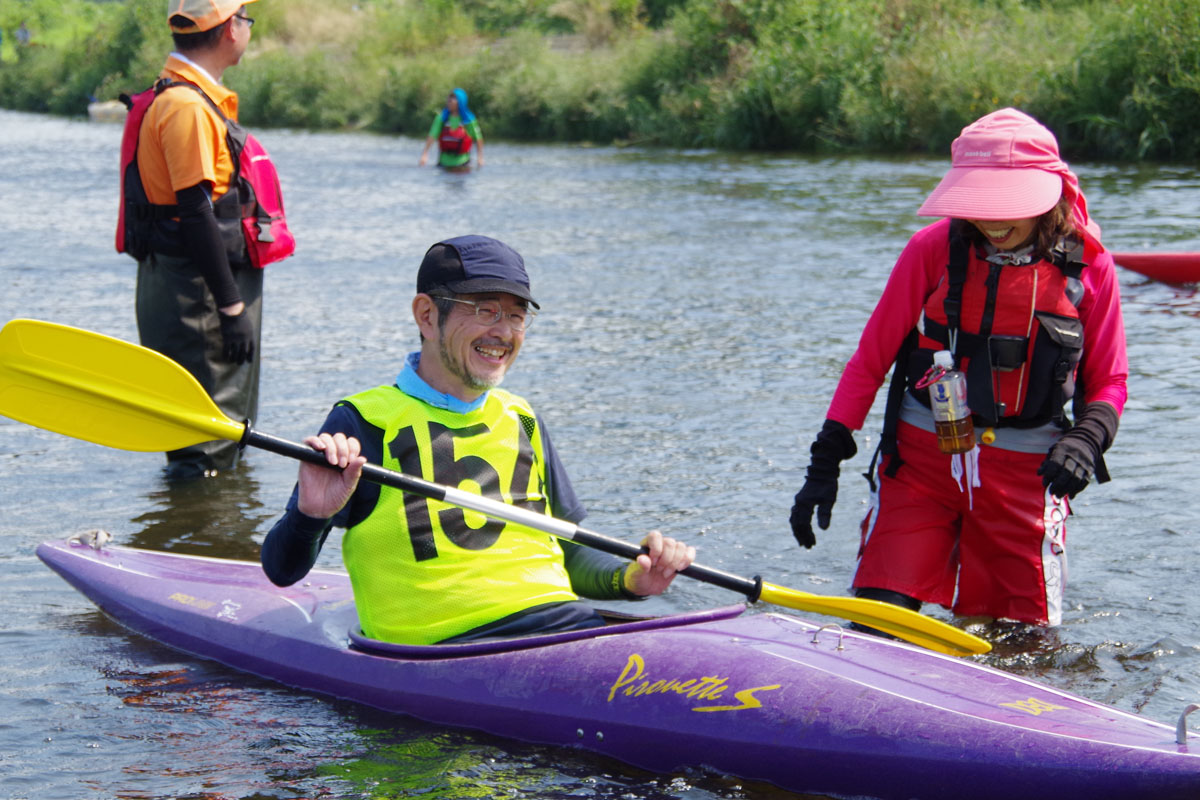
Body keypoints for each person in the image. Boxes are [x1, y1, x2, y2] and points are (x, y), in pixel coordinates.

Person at [261, 235, 695, 645]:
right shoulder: (363, 421)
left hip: (561, 629)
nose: (503, 332)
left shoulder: (522, 418)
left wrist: (633, 579)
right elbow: (282, 570)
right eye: (485, 310)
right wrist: (310, 515)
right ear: (427, 316)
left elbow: (568, 552)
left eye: (516, 315)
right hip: (451, 650)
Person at [788, 108, 1128, 628]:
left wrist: (1087, 439)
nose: (992, 220)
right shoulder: (931, 250)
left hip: (1028, 477)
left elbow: (1109, 380)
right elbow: (869, 361)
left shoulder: (1090, 268)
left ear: (1051, 195)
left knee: (1018, 645)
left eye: (1008, 204)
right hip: (921, 466)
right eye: (980, 202)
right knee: (877, 623)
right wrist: (824, 461)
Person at [123, 0, 264, 481]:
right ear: (228, 30)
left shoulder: (189, 97)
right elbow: (196, 211)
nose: (248, 28)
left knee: (220, 435)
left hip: (196, 287)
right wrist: (230, 307)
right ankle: (199, 543)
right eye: (245, 19)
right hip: (200, 296)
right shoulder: (186, 106)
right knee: (206, 445)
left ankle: (200, 533)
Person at [418, 88, 485, 171]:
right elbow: (432, 136)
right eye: (449, 98)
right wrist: (425, 154)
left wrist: (480, 157)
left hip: (463, 164)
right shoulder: (442, 118)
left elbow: (478, 139)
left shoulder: (469, 120)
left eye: (453, 98)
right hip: (443, 164)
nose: (449, 101)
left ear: (460, 102)